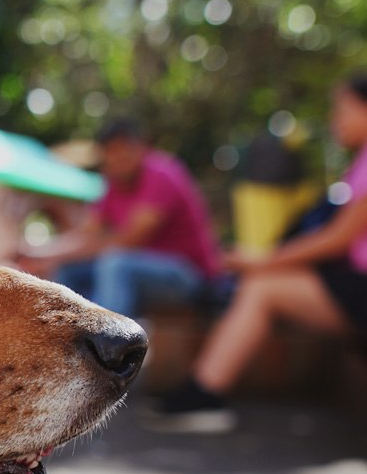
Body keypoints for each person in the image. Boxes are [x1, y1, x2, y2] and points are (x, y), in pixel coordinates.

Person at [141, 74, 367, 433]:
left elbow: (336, 240)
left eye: (341, 109)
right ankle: (202, 390)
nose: (334, 119)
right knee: (262, 284)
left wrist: (261, 260)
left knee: (263, 286)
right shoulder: (358, 164)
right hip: (351, 284)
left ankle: (204, 392)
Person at [18, 115, 222, 320]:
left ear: (140, 147)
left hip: (191, 277)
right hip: (141, 268)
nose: (117, 159)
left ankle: (106, 339)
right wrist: (40, 253)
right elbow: (87, 234)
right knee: (69, 270)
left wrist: (49, 254)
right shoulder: (114, 185)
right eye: (111, 153)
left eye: (122, 151)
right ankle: (63, 335)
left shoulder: (162, 174)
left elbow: (128, 241)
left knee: (116, 264)